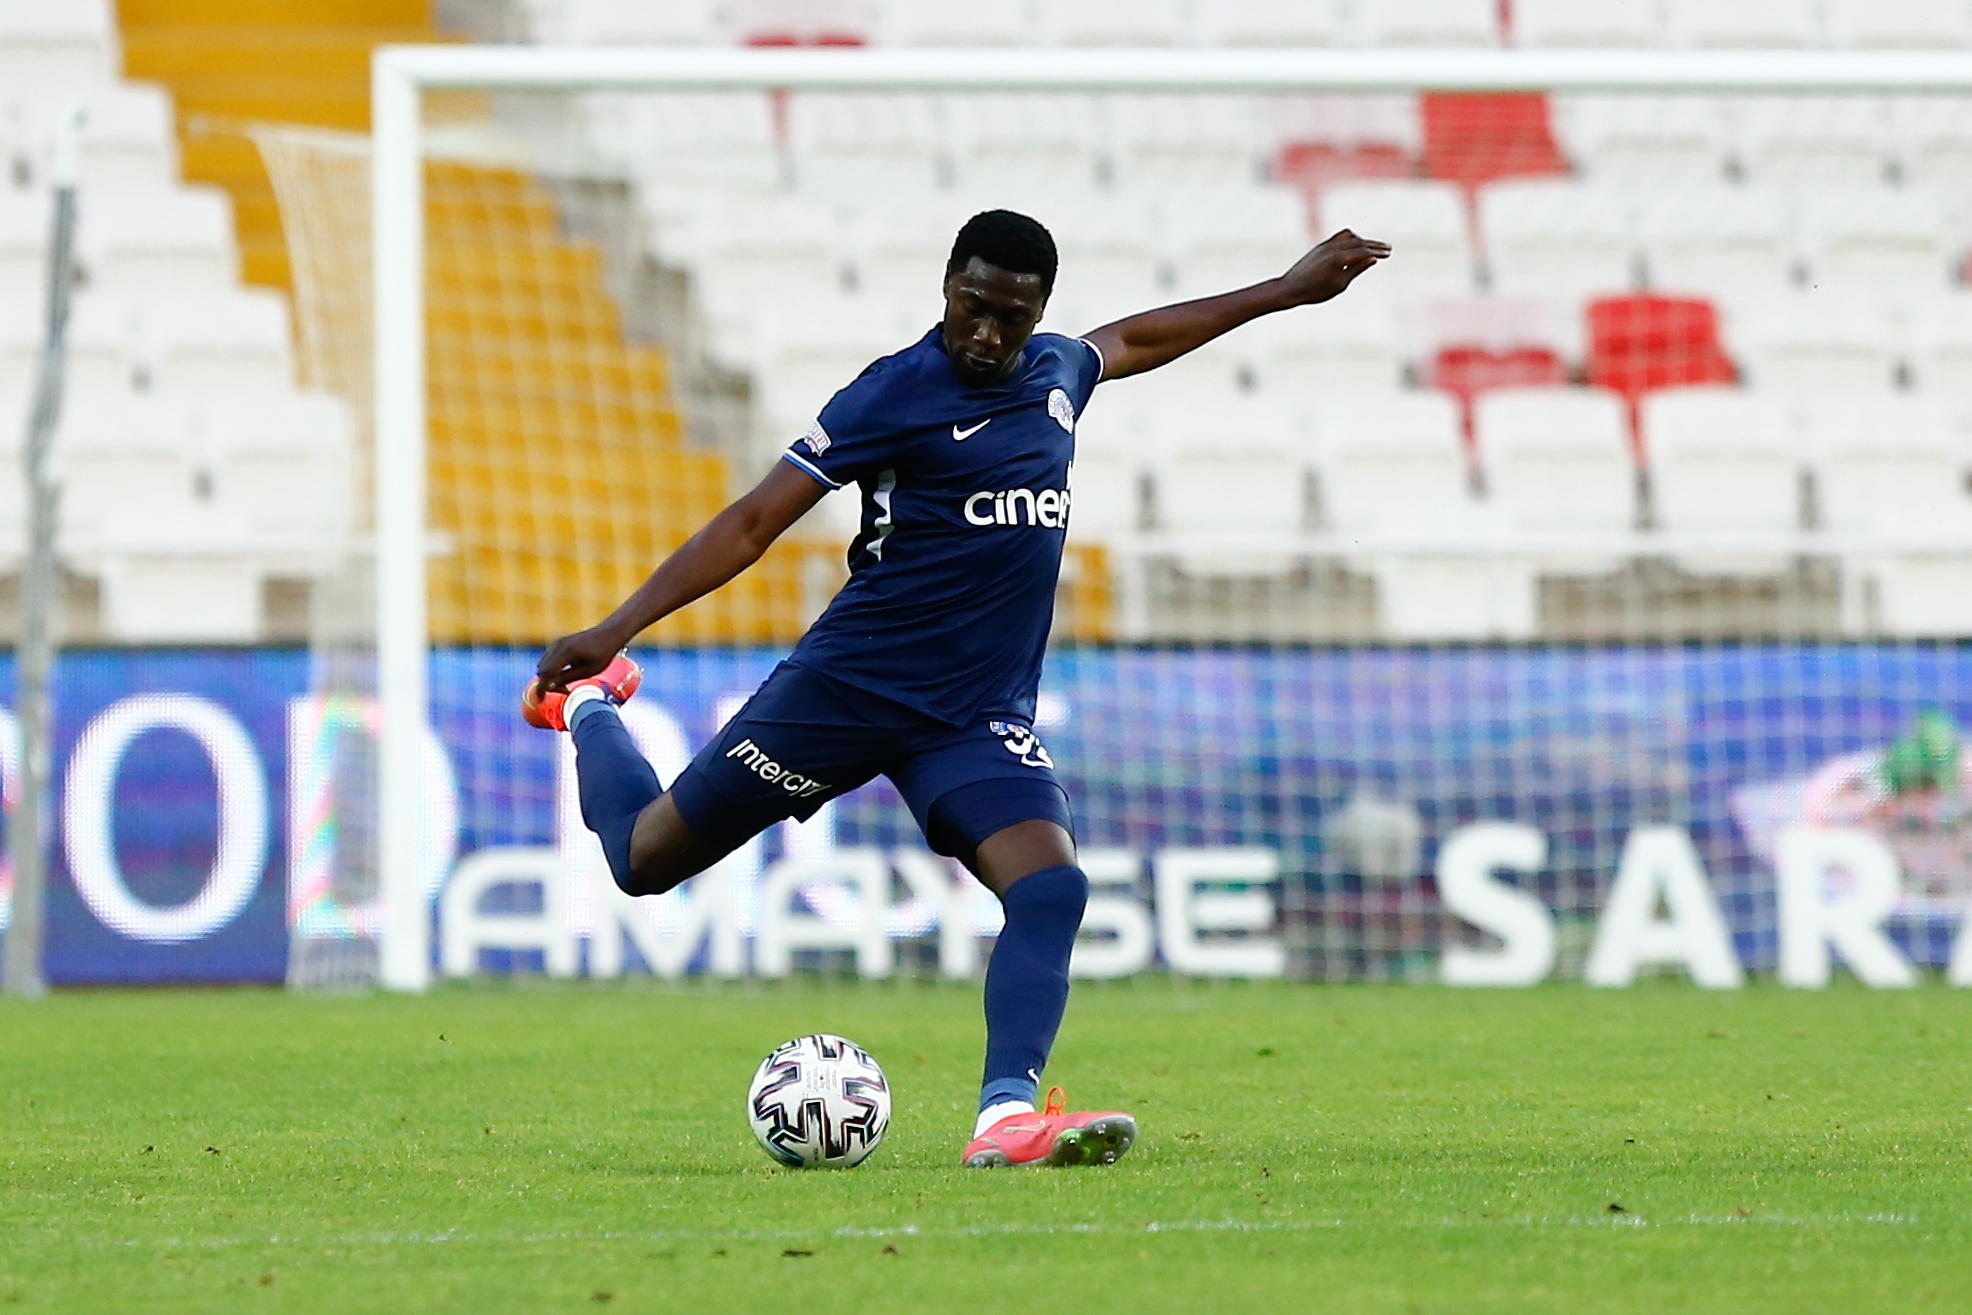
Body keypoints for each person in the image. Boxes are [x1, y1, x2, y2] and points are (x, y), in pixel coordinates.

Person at [525, 209, 1389, 1167]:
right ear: (946, 285)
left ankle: (1005, 1117)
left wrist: (1285, 290)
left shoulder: (1056, 374)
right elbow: (753, 523)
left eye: (1010, 318)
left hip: (973, 718)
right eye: (972, 306)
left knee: (1052, 886)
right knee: (644, 859)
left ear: (1039, 314)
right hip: (847, 690)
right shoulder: (889, 394)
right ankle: (592, 703)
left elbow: (1136, 339)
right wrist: (615, 630)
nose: (986, 332)